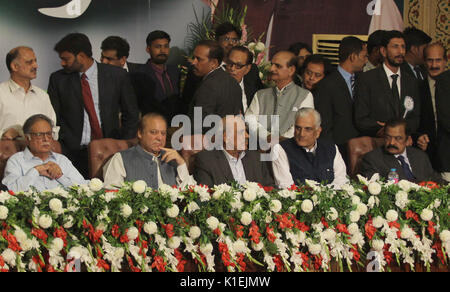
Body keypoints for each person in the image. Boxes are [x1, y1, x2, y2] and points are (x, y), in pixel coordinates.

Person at [48, 33, 139, 178]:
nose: (62, 63)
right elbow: (54, 117)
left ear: (82, 56)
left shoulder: (117, 76)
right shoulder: (58, 79)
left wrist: (122, 145)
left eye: (66, 59)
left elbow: (131, 114)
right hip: (72, 154)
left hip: (110, 151)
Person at [354, 30, 421, 138]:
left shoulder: (411, 81)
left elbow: (415, 117)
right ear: (383, 51)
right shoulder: (367, 79)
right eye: (395, 47)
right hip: (376, 144)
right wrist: (384, 129)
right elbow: (361, 119)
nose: (400, 51)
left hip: (404, 145)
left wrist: (401, 133)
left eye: (403, 47)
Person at [103, 113, 194, 189]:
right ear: (140, 133)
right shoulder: (121, 159)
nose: (159, 138)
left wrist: (181, 163)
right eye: (153, 132)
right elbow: (112, 196)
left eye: (163, 133)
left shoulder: (173, 160)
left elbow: (189, 196)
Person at [314, 36, 367, 159]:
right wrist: (330, 153)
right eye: (364, 56)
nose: (366, 61)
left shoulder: (364, 80)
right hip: (338, 151)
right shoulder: (326, 85)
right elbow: (324, 125)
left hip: (363, 149)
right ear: (353, 57)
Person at [2, 114, 87, 192]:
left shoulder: (62, 160)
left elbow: (83, 188)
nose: (46, 139)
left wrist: (60, 176)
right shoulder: (16, 161)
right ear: (27, 138)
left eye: (49, 134)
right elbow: (10, 190)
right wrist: (36, 171)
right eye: (39, 135)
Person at [271, 108, 348, 189]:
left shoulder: (331, 148)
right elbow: (285, 186)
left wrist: (323, 193)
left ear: (318, 132)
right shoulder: (280, 149)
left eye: (307, 129)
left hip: (331, 199)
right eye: (298, 128)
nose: (301, 134)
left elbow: (342, 180)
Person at [246, 51, 314, 139]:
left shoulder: (305, 95)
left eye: (278, 66)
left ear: (291, 70)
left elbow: (303, 125)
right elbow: (250, 120)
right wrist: (267, 136)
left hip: (289, 150)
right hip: (259, 148)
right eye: (272, 64)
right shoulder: (261, 95)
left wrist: (279, 141)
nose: (271, 69)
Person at [194, 115, 274, 187]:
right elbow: (206, 197)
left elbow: (270, 188)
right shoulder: (206, 161)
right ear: (226, 138)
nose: (247, 136)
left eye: (246, 131)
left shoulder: (256, 158)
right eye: (241, 132)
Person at [359, 118, 445, 184]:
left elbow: (436, 179)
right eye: (388, 137)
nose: (392, 142)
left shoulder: (420, 156)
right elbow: (374, 188)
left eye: (398, 138)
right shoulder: (372, 159)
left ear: (408, 139)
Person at [0, 46, 57, 140]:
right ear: (14, 66)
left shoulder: (43, 96)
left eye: (35, 61)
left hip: (39, 153)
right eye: (29, 62)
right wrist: (4, 134)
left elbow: (53, 129)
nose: (35, 66)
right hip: (7, 152)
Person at [417, 43, 450, 182]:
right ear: (424, 62)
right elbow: (413, 119)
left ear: (445, 61)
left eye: (438, 60)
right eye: (430, 60)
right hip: (429, 155)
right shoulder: (417, 87)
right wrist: (418, 136)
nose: (434, 65)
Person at [188, 40, 243, 122]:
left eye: (199, 59)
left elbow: (200, 123)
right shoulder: (234, 82)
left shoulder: (208, 85)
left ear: (214, 63)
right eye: (194, 58)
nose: (193, 62)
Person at [133, 30, 182, 121]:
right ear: (148, 49)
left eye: (166, 46)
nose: (162, 51)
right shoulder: (139, 75)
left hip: (177, 126)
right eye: (158, 47)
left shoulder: (175, 71)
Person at [225, 46, 259, 112]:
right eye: (230, 63)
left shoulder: (253, 85)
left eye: (238, 66)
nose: (232, 68)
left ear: (247, 69)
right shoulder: (215, 84)